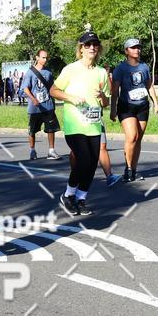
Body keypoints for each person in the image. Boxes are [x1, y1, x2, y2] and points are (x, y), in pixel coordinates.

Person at [49, 29, 107, 217]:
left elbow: (105, 102)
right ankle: (68, 195)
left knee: (91, 164)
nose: (92, 47)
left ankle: (81, 199)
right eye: (87, 45)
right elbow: (53, 90)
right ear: (81, 49)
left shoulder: (101, 73)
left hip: (94, 124)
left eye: (95, 44)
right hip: (74, 124)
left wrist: (103, 97)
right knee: (83, 160)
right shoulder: (70, 69)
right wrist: (71, 97)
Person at [111, 39, 158, 182]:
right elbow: (115, 90)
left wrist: (156, 105)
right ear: (126, 51)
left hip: (142, 106)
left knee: (138, 139)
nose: (137, 50)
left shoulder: (144, 67)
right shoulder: (120, 69)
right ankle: (127, 168)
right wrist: (113, 109)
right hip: (126, 106)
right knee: (132, 136)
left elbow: (149, 86)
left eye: (138, 47)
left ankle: (133, 170)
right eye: (133, 48)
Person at [21, 50, 61, 161]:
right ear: (37, 57)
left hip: (48, 105)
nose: (45, 60)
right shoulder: (30, 72)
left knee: (51, 129)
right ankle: (32, 150)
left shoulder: (48, 72)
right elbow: (25, 88)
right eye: (43, 57)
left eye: (46, 58)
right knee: (32, 130)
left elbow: (52, 87)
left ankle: (51, 151)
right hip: (35, 107)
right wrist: (33, 99)